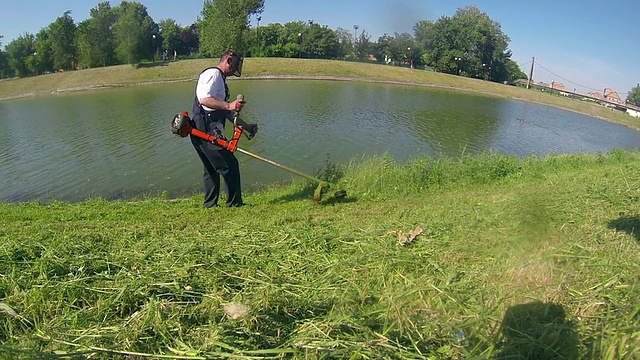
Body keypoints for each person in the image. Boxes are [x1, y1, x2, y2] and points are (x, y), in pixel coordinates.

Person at [189, 50, 258, 208]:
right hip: (205, 131)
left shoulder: (220, 79)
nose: (235, 69)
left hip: (206, 131)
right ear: (228, 60)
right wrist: (229, 104)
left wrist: (246, 126)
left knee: (211, 169)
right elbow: (205, 99)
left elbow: (225, 112)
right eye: (235, 65)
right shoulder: (213, 74)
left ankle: (210, 204)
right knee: (230, 165)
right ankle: (234, 204)